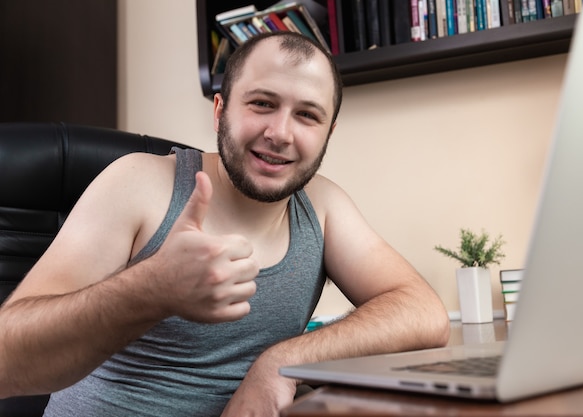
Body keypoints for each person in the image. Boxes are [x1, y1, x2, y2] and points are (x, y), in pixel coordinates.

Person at [0, 31, 449, 417]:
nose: (281, 132)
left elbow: (423, 313)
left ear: (328, 133)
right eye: (262, 103)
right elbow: (6, 359)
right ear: (219, 111)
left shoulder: (323, 206)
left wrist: (281, 363)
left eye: (307, 115)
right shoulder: (137, 183)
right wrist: (151, 288)